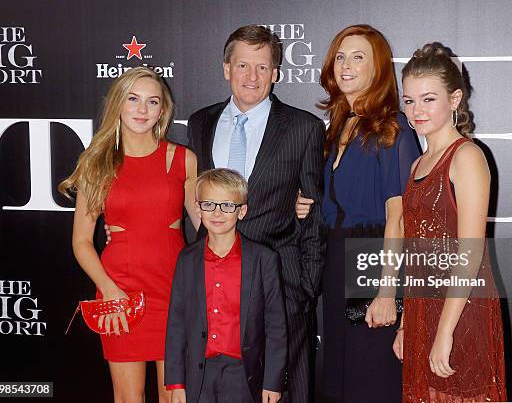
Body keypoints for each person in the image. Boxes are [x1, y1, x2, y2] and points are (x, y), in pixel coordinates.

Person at [167, 25, 325, 403]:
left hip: (283, 283)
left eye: (262, 67)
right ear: (226, 69)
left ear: (276, 72)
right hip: (213, 280)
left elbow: (315, 215)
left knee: (286, 393)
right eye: (242, 65)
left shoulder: (305, 127)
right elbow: (195, 193)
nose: (251, 77)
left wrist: (305, 287)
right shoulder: (201, 122)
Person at [59, 66, 199, 403]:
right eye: (133, 99)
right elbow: (81, 241)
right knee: (127, 398)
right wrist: (109, 290)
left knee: (175, 396)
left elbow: (209, 223)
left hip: (174, 289)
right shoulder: (98, 163)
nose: (142, 109)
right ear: (118, 104)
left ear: (163, 110)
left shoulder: (182, 159)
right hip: (119, 290)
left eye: (152, 101)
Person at [296, 25, 421, 402]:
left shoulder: (394, 128)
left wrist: (386, 292)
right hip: (336, 261)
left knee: (370, 380)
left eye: (358, 57)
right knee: (341, 379)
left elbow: (399, 216)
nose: (346, 66)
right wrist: (311, 203)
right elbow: (340, 198)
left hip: (372, 259)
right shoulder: (337, 128)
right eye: (340, 56)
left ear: (378, 68)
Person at [393, 42, 506, 402]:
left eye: (428, 99)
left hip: (462, 310)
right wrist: (407, 323)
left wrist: (445, 332)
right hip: (422, 307)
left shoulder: (468, 156)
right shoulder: (417, 165)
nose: (416, 110)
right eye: (409, 100)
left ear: (454, 99)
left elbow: (469, 255)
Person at [165, 168, 287, 403]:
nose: (217, 213)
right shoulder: (187, 260)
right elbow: (177, 324)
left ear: (242, 211)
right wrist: (176, 382)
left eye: (228, 205)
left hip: (243, 374)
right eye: (209, 204)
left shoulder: (264, 259)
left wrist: (272, 381)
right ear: (198, 208)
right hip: (199, 375)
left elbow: (276, 327)